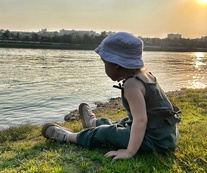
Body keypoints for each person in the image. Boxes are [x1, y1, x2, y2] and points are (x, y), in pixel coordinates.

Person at [41, 32, 181, 160]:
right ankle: (93, 123)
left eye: (105, 63)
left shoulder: (132, 85)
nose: (104, 67)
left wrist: (129, 152)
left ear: (116, 65)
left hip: (155, 141)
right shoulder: (145, 76)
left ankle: (67, 136)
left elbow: (141, 121)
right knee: (123, 122)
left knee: (107, 133)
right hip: (166, 135)